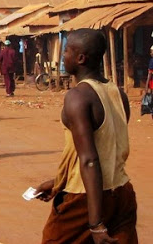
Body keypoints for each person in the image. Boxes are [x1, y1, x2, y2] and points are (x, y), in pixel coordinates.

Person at [34, 29, 137, 244]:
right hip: (121, 192)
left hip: (84, 197)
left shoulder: (77, 97)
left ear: (80, 58)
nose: (63, 56)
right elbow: (106, 148)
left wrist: (96, 223)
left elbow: (90, 159)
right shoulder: (119, 94)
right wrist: (58, 182)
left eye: (66, 51)